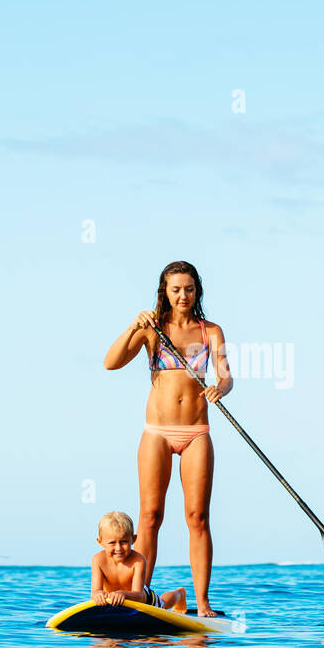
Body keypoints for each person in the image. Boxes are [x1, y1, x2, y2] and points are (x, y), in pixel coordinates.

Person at [102, 262, 234, 616]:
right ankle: (140, 597)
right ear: (165, 291)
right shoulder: (153, 330)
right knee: (149, 516)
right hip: (157, 432)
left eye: (189, 289)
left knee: (198, 517)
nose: (183, 296)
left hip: (196, 433)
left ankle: (203, 602)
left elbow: (226, 376)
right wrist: (133, 325)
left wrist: (220, 387)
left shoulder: (212, 331)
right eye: (176, 289)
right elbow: (110, 363)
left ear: (197, 291)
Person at [90, 511, 187, 611]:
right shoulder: (98, 560)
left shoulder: (138, 560)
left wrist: (122, 594)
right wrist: (98, 594)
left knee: (163, 603)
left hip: (143, 600)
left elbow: (138, 595)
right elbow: (95, 591)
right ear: (100, 542)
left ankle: (180, 594)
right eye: (112, 543)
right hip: (115, 601)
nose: (118, 548)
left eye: (124, 542)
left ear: (133, 539)